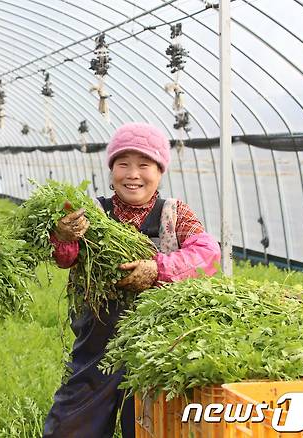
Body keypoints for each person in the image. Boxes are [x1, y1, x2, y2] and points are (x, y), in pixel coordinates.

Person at [43, 122, 221, 438]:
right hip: (98, 341)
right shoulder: (92, 211)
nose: (133, 174)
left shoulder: (174, 214)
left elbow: (207, 255)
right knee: (73, 424)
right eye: (123, 164)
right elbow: (65, 257)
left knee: (148, 423)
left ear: (160, 171)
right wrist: (63, 235)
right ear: (112, 170)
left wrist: (157, 270)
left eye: (144, 164)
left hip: (158, 342)